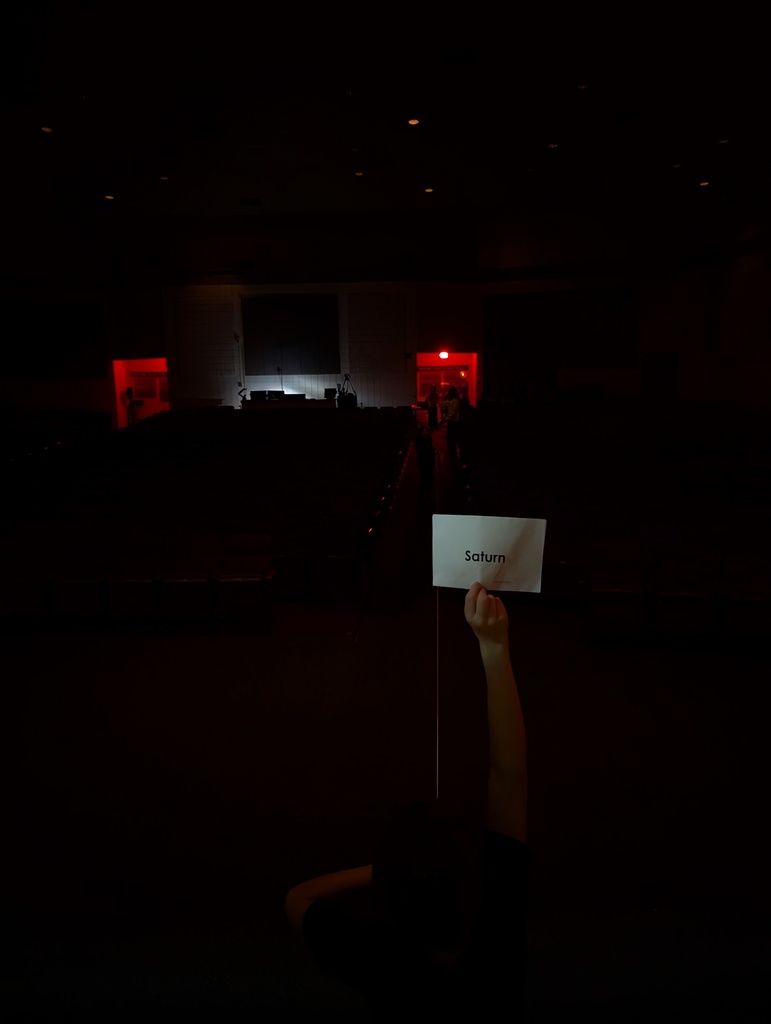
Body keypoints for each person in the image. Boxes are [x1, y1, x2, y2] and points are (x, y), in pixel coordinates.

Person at [285, 583, 530, 1018]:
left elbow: (297, 899)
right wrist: (494, 647)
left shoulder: (378, 961)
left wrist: (389, 872)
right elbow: (508, 777)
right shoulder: (498, 928)